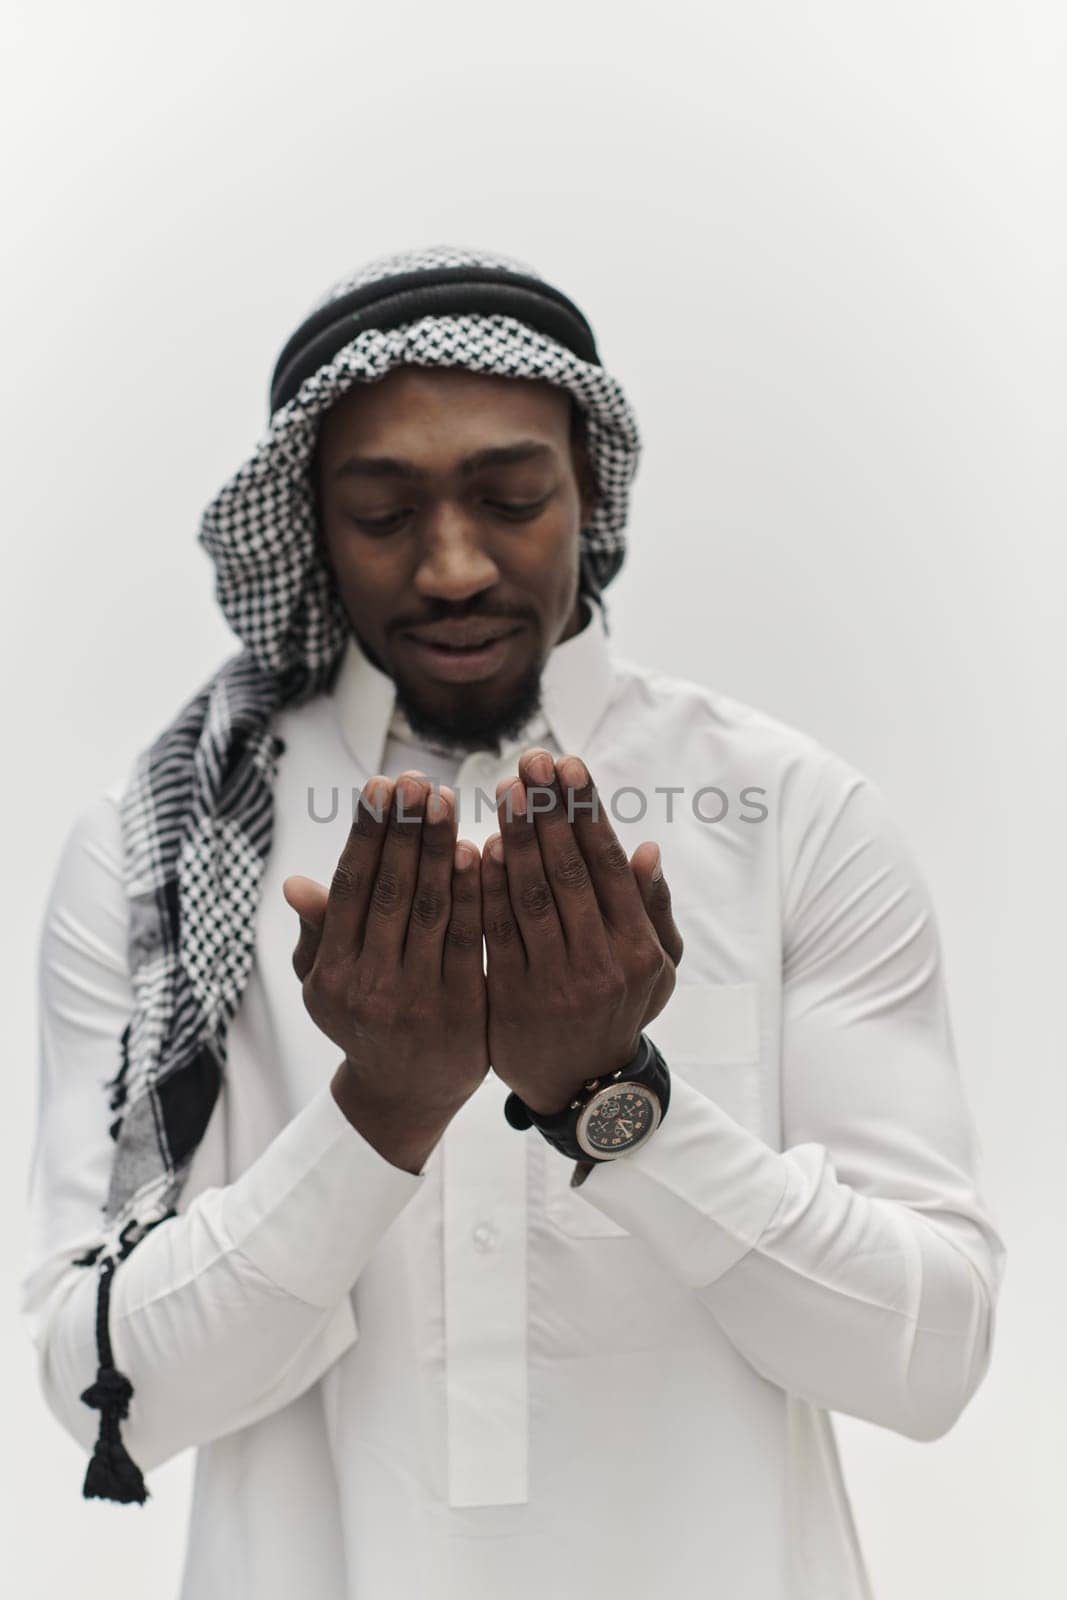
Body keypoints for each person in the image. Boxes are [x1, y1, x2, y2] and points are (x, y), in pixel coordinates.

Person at [21, 245, 1006, 1600]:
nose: (452, 566)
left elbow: (928, 1360)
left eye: (512, 497)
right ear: (307, 521)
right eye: (381, 513)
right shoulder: (173, 852)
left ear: (590, 492)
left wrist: (618, 1099)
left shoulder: (788, 816)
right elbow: (102, 1392)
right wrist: (383, 1115)